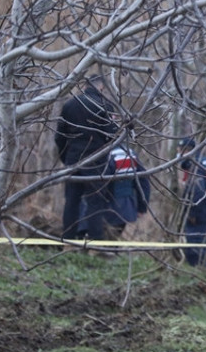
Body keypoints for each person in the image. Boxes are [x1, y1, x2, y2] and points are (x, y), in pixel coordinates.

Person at [54, 82, 118, 239]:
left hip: (73, 160)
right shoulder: (106, 106)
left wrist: (66, 158)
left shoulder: (69, 105)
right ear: (101, 87)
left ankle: (68, 240)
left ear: (85, 86)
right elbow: (111, 136)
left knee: (71, 202)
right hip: (97, 161)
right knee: (95, 203)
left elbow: (59, 136)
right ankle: (96, 244)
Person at [84, 142, 151, 242]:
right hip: (125, 208)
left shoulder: (100, 153)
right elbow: (143, 181)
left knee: (101, 242)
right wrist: (142, 207)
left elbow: (101, 187)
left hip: (102, 208)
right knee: (112, 241)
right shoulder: (129, 153)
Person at [178, 138, 206, 266]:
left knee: (195, 248)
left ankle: (197, 275)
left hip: (201, 213)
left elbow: (197, 191)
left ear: (186, 151)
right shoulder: (205, 162)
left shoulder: (196, 166)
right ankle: (205, 272)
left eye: (180, 151)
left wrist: (192, 213)